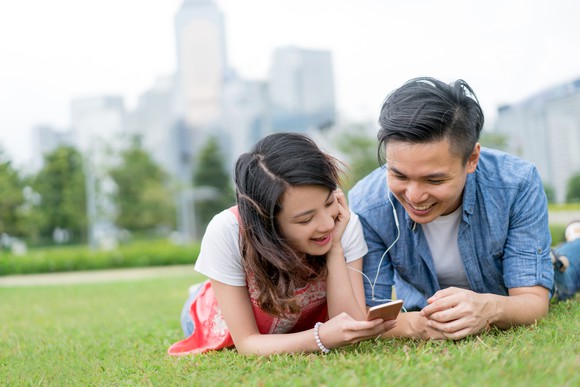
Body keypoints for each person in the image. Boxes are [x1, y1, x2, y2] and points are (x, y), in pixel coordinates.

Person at [348, 76, 580, 340]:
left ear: (471, 159)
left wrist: (488, 308)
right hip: (427, 306)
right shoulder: (367, 203)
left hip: (516, 288)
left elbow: (533, 301)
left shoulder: (516, 183)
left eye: (434, 179)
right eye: (399, 176)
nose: (414, 195)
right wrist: (418, 326)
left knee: (568, 265)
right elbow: (369, 314)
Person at [168, 132, 395, 356]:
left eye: (328, 203)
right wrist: (322, 337)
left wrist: (335, 249)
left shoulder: (343, 223)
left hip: (298, 323)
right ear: (267, 221)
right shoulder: (228, 230)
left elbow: (349, 323)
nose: (327, 224)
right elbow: (247, 344)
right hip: (215, 318)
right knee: (212, 309)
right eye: (305, 219)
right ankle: (206, 290)